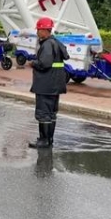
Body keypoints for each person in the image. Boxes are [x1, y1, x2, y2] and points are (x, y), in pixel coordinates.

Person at [28, 17, 70, 149]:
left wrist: (33, 63)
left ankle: (43, 140)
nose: (37, 33)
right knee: (51, 113)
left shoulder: (46, 44)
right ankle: (49, 139)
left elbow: (44, 64)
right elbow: (65, 56)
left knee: (43, 112)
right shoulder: (57, 43)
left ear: (45, 30)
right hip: (56, 84)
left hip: (45, 84)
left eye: (39, 30)